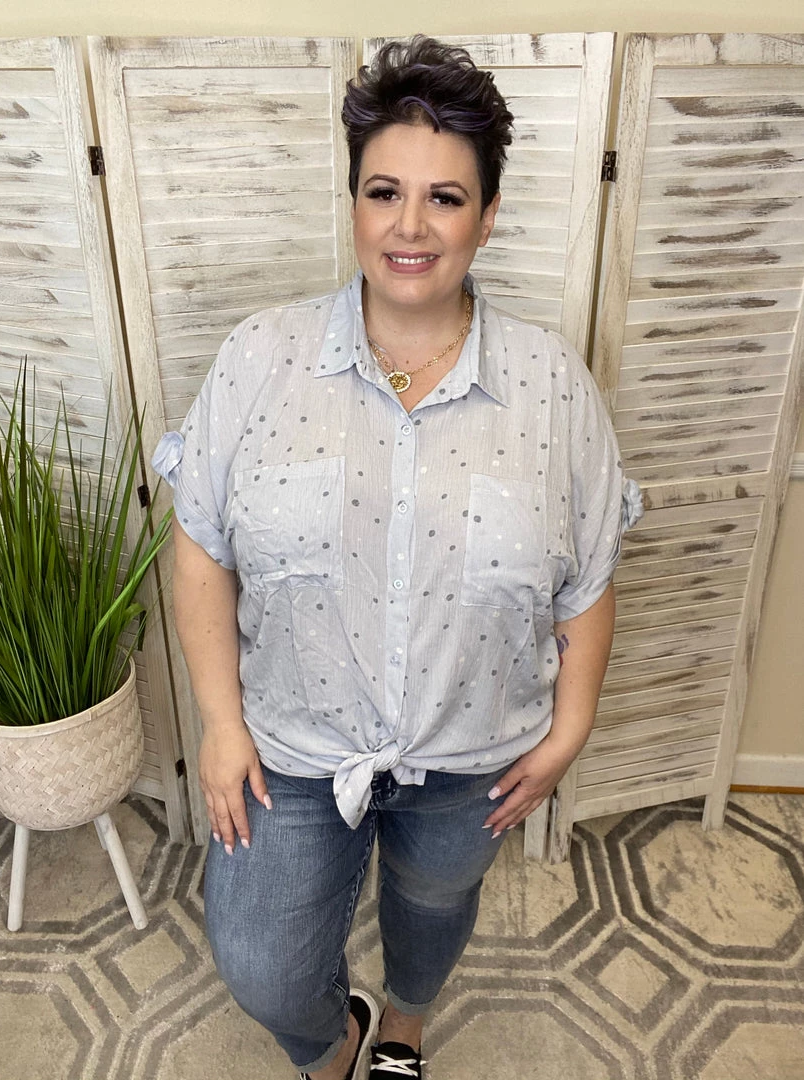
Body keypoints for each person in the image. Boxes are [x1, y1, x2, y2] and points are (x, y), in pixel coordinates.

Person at [153, 35, 643, 1080]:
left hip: (473, 757)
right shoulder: (260, 359)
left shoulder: (553, 388)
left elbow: (588, 577)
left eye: (445, 198)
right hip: (291, 749)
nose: (410, 226)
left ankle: (406, 1027)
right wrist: (221, 724)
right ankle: (337, 1043)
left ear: (488, 215)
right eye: (385, 192)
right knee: (262, 963)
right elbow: (200, 546)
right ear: (354, 204)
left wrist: (571, 730)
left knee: (432, 908)